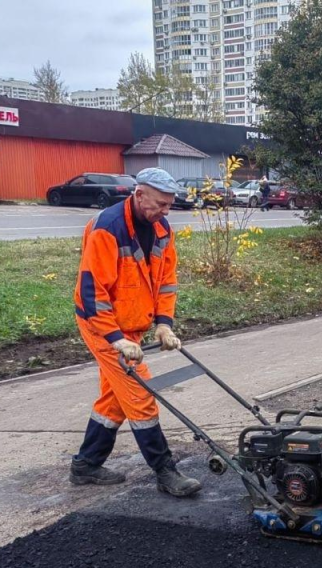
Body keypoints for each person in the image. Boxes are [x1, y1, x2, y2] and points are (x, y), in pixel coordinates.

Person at [69, 167, 202, 498]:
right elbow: (92, 293)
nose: (165, 211)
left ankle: (86, 465)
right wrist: (116, 339)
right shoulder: (108, 229)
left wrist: (164, 324)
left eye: (169, 205)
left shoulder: (161, 230)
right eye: (159, 204)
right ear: (138, 194)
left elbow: (165, 282)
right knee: (141, 395)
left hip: (135, 326)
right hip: (102, 326)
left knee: (115, 399)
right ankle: (165, 471)